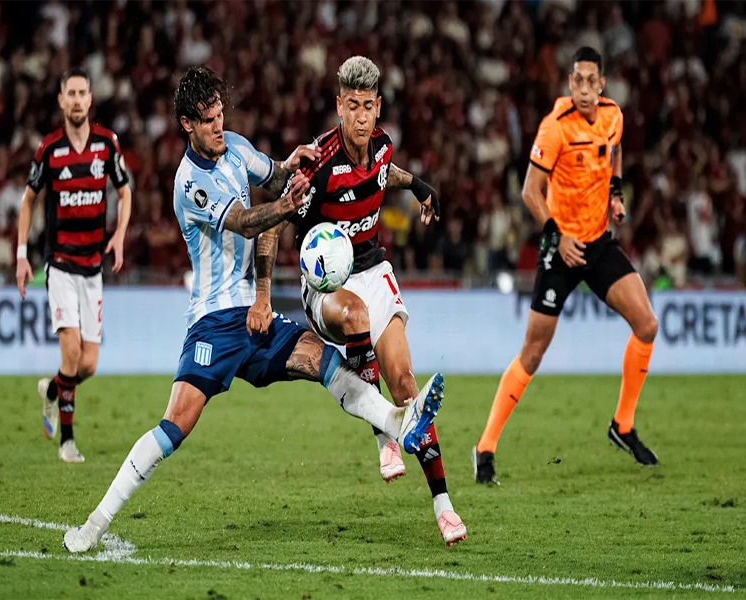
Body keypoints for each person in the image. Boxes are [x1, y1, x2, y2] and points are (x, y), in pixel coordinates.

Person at [63, 66, 445, 552]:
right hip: (214, 322)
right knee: (176, 424)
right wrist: (288, 207)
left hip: (254, 314)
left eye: (221, 115)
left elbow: (275, 172)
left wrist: (296, 162)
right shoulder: (189, 184)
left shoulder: (235, 146)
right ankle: (94, 525)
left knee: (327, 362)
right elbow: (245, 222)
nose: (219, 126)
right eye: (208, 121)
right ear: (187, 125)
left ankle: (395, 423)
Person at [256, 56, 466, 548]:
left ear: (377, 108)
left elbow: (382, 173)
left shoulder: (382, 146)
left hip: (373, 271)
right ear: (339, 106)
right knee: (356, 316)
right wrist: (263, 294)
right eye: (352, 107)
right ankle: (384, 440)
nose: (362, 117)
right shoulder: (317, 164)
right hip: (326, 287)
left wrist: (417, 184)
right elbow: (274, 222)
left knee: (407, 385)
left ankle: (445, 508)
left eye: (369, 107)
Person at [473, 47, 660, 485]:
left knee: (647, 324)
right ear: (570, 83)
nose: (582, 88)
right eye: (575, 80)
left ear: (602, 84)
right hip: (561, 248)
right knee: (533, 354)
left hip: (596, 244)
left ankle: (623, 425)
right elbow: (529, 192)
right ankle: (484, 449)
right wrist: (558, 236)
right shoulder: (555, 128)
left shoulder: (614, 116)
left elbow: (613, 153)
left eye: (590, 80)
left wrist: (615, 194)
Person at [16, 67, 132, 463]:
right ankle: (67, 442)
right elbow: (28, 200)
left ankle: (52, 390)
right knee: (70, 355)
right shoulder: (49, 149)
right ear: (62, 100)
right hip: (61, 265)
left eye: (84, 92)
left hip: (93, 266)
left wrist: (118, 235)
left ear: (90, 98)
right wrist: (21, 255)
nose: (78, 99)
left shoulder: (106, 144)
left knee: (89, 365)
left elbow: (125, 190)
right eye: (72, 93)